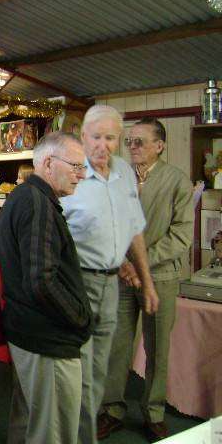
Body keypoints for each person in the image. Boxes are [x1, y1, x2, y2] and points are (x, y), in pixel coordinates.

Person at [60, 105, 160, 444]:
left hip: (112, 285)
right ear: (83, 136)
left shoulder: (125, 173)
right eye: (96, 137)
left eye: (111, 138)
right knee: (79, 372)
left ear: (120, 140)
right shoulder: (69, 173)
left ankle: (83, 436)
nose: (103, 146)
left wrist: (146, 282)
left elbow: (133, 229)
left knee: (98, 372)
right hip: (78, 283)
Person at [99, 118, 193, 442]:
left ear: (159, 146)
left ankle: (154, 413)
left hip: (160, 278)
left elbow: (181, 237)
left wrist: (139, 265)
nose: (132, 147)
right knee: (116, 346)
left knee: (157, 348)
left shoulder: (177, 181)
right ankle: (112, 410)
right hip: (122, 277)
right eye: (130, 141)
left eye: (140, 141)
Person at [0, 132, 94, 444]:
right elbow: (42, 282)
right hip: (47, 340)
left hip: (33, 334)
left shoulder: (28, 197)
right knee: (52, 432)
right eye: (76, 166)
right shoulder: (37, 203)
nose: (81, 175)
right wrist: (79, 319)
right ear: (49, 163)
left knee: (29, 423)